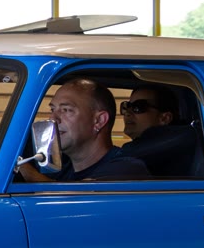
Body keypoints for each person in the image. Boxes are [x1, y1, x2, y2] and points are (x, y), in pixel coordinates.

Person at [18, 78, 149, 182]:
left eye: (66, 110)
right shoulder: (62, 167)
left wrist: (21, 167)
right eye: (53, 109)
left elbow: (72, 200)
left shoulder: (126, 169)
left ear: (99, 121)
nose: (53, 118)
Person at [118, 83, 204, 177]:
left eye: (138, 107)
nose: (127, 113)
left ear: (164, 118)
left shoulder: (174, 143)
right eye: (126, 106)